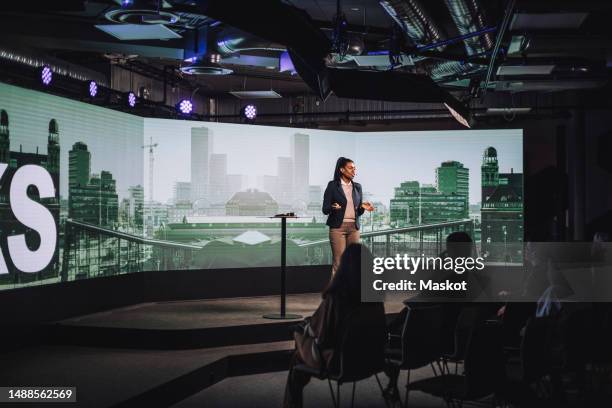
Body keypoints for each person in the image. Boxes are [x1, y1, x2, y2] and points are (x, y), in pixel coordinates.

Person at [283, 243, 384, 408]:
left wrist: (302, 331)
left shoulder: (336, 300)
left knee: (298, 346)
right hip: (371, 360)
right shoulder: (375, 299)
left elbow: (322, 338)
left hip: (340, 363)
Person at [322, 157, 375, 275]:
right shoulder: (332, 186)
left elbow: (358, 212)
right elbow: (325, 209)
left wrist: (363, 208)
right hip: (337, 228)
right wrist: (333, 207)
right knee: (339, 264)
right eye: (350, 168)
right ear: (341, 169)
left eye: (355, 169)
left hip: (353, 229)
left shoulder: (357, 187)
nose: (354, 171)